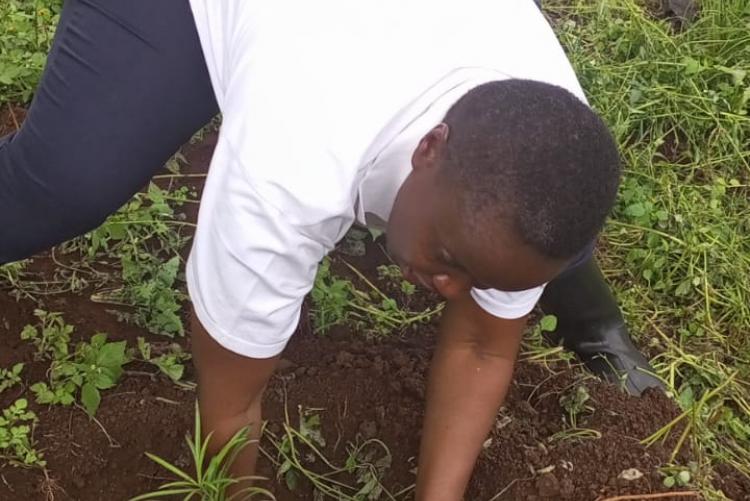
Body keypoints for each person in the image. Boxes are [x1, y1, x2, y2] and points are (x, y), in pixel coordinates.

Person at [0, 0, 664, 498]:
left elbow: (483, 344)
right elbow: (230, 406)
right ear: (429, 148)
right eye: (450, 260)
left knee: (532, 247)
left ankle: (594, 323)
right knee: (63, 186)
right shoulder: (292, 160)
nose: (447, 292)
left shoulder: (549, 152)